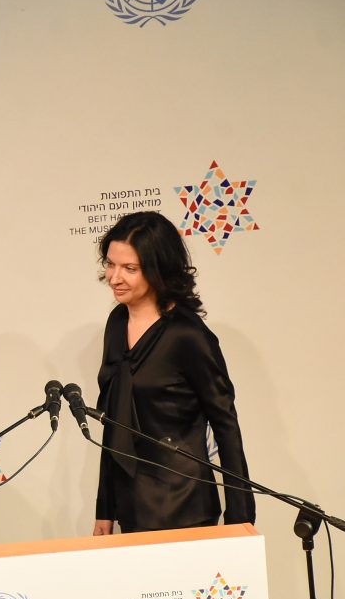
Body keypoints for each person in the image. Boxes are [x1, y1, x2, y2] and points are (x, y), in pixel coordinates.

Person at [91, 210, 254, 535]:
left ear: (157, 270)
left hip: (184, 507)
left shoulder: (188, 336)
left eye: (129, 268)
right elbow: (115, 422)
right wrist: (105, 509)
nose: (114, 277)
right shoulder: (116, 324)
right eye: (110, 264)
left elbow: (225, 425)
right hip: (132, 506)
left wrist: (240, 519)